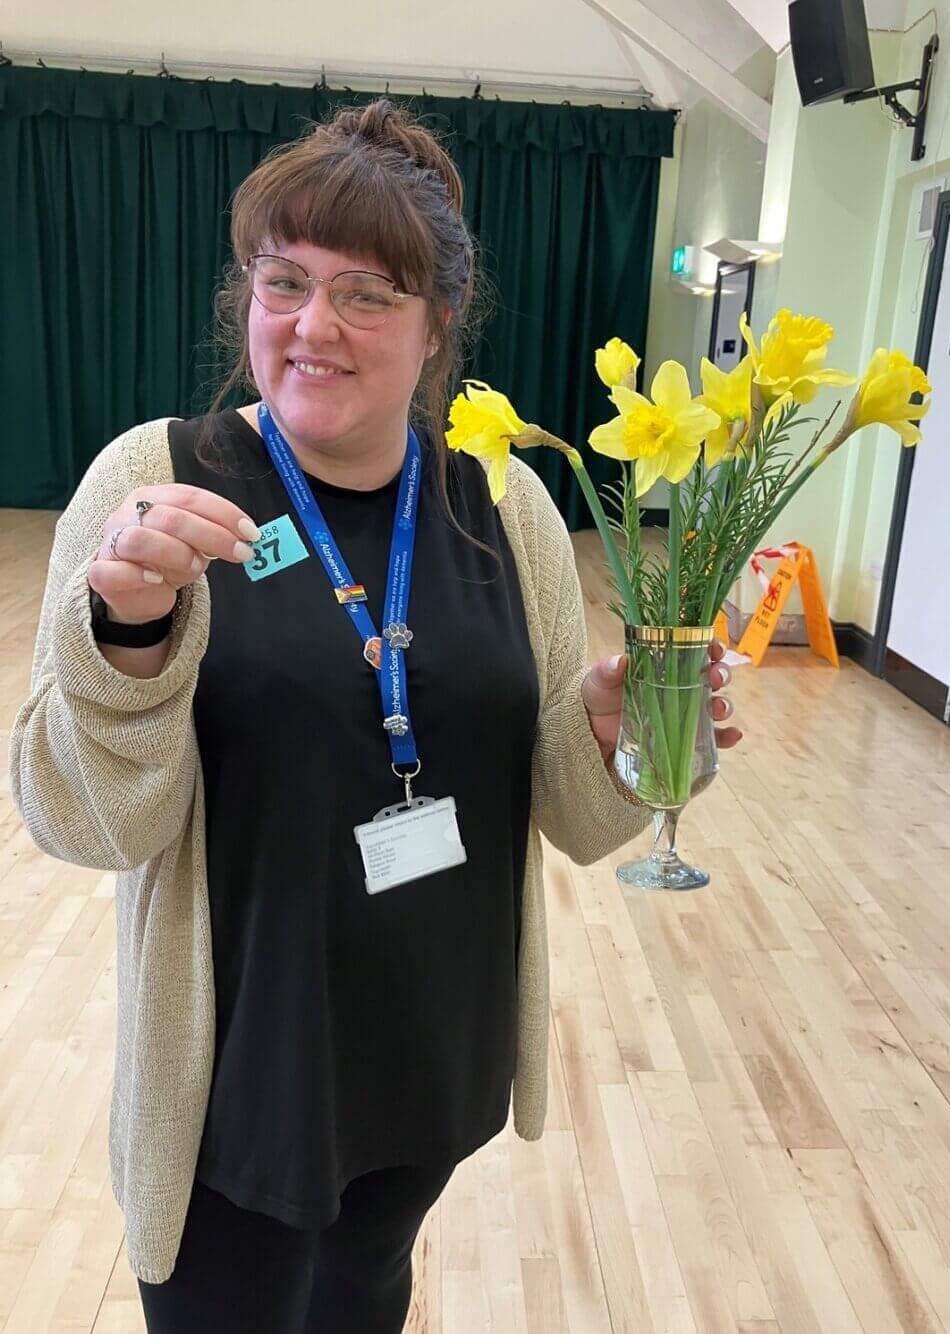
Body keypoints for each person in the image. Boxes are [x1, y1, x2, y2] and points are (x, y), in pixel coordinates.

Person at [9, 99, 740, 1333]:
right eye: (285, 281)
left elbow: (571, 812)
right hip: (241, 1071)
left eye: (367, 294)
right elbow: (84, 823)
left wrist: (612, 731)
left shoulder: (500, 502)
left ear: (437, 320)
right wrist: (127, 639)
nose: (313, 325)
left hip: (429, 1045)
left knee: (364, 1291)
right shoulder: (152, 483)